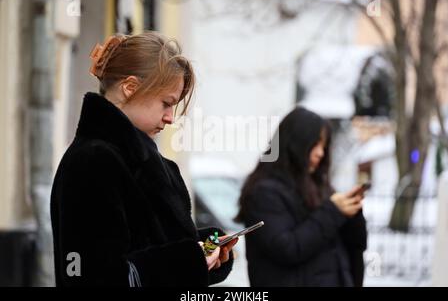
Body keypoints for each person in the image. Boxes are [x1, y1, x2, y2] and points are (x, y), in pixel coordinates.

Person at [50, 31, 237, 287]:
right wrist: (189, 259)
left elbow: (154, 245)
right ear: (130, 88)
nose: (171, 117)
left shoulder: (150, 163)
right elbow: (94, 276)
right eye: (165, 103)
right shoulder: (92, 162)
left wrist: (204, 247)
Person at [235, 107, 367, 287]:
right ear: (294, 143)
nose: (320, 153)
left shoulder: (319, 187)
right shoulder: (264, 193)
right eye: (315, 144)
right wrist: (333, 212)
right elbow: (287, 249)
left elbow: (348, 249)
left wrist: (351, 214)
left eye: (324, 146)